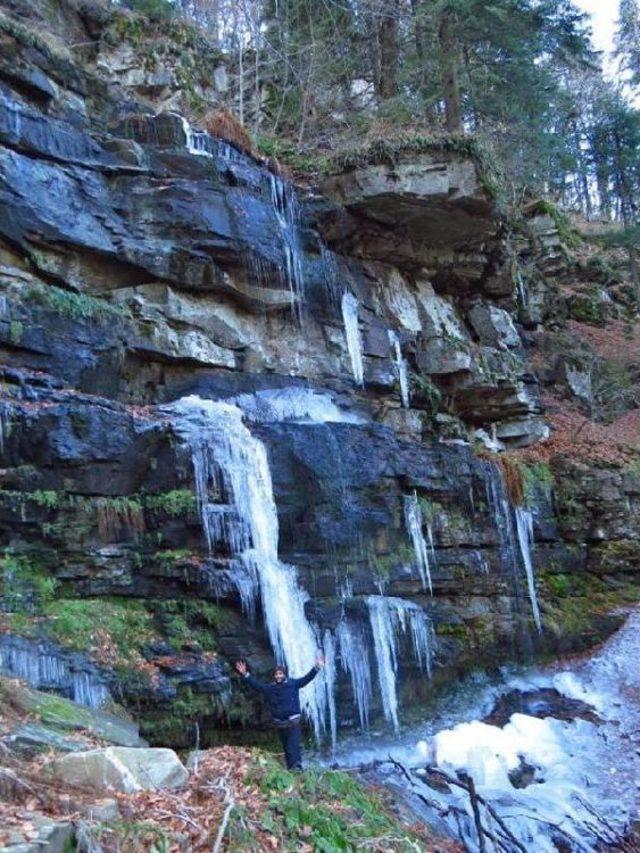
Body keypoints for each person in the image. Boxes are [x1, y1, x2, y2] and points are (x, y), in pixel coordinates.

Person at [235, 657, 325, 770]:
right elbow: (257, 686)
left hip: (293, 723)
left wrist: (317, 667)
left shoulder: (293, 684)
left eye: (280, 674)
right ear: (274, 676)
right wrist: (245, 674)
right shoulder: (270, 688)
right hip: (280, 725)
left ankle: (298, 770)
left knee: (293, 748)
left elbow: (306, 679)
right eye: (276, 674)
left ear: (284, 674)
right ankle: (291, 771)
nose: (278, 676)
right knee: (287, 749)